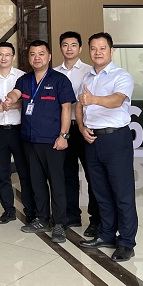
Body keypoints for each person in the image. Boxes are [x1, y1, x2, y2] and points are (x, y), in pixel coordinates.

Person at [2, 40, 75, 244]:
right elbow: (16, 93)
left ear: (49, 56)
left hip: (52, 141)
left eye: (41, 53)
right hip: (29, 140)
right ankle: (42, 218)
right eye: (33, 54)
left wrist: (64, 136)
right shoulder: (25, 80)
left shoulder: (59, 80)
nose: (37, 57)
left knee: (57, 183)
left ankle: (59, 223)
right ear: (28, 58)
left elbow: (67, 108)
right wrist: (9, 99)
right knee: (37, 182)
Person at [77, 32, 138, 262]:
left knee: (122, 192)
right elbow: (78, 105)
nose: (98, 52)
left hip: (115, 139)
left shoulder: (121, 76)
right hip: (92, 139)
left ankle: (127, 242)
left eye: (102, 48)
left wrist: (94, 100)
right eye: (93, 48)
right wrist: (81, 127)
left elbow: (117, 100)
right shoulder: (87, 77)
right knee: (100, 191)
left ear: (111, 51)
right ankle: (106, 234)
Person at [55, 31, 100, 236]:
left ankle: (95, 219)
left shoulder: (90, 71)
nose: (69, 49)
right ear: (60, 48)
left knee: (92, 174)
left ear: (80, 48)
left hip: (85, 128)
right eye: (65, 45)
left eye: (73, 45)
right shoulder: (54, 73)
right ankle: (71, 215)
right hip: (64, 129)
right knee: (67, 174)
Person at [0, 41, 36, 224]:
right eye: (0, 54)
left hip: (18, 130)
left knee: (24, 172)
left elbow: (27, 102)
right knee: (3, 173)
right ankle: (8, 210)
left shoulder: (23, 77)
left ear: (13, 57)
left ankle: (30, 210)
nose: (4, 58)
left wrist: (11, 106)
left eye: (8, 54)